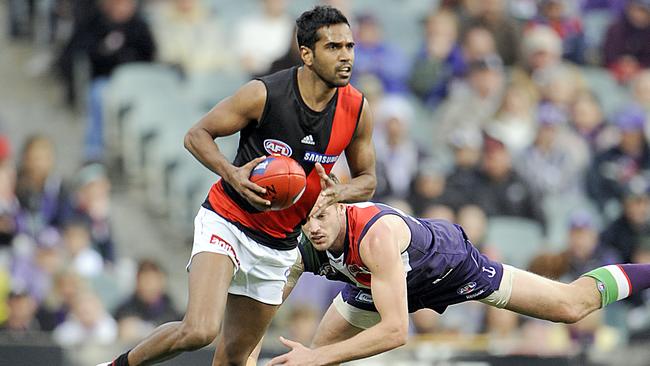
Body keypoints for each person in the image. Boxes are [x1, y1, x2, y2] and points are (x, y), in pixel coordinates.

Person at [100, 5, 376, 366]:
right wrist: (233, 174)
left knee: (233, 358)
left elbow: (368, 181)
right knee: (199, 329)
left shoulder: (356, 110)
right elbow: (196, 135)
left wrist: (338, 192)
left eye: (350, 47)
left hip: (280, 245)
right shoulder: (264, 94)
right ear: (306, 54)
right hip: (228, 220)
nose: (345, 57)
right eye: (334, 47)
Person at [267, 200, 650, 365]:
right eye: (306, 219)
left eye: (321, 216)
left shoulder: (375, 235)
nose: (313, 228)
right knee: (316, 356)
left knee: (572, 305)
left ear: (338, 203)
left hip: (448, 268)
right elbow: (266, 301)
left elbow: (397, 332)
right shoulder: (305, 243)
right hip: (376, 282)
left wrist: (316, 356)